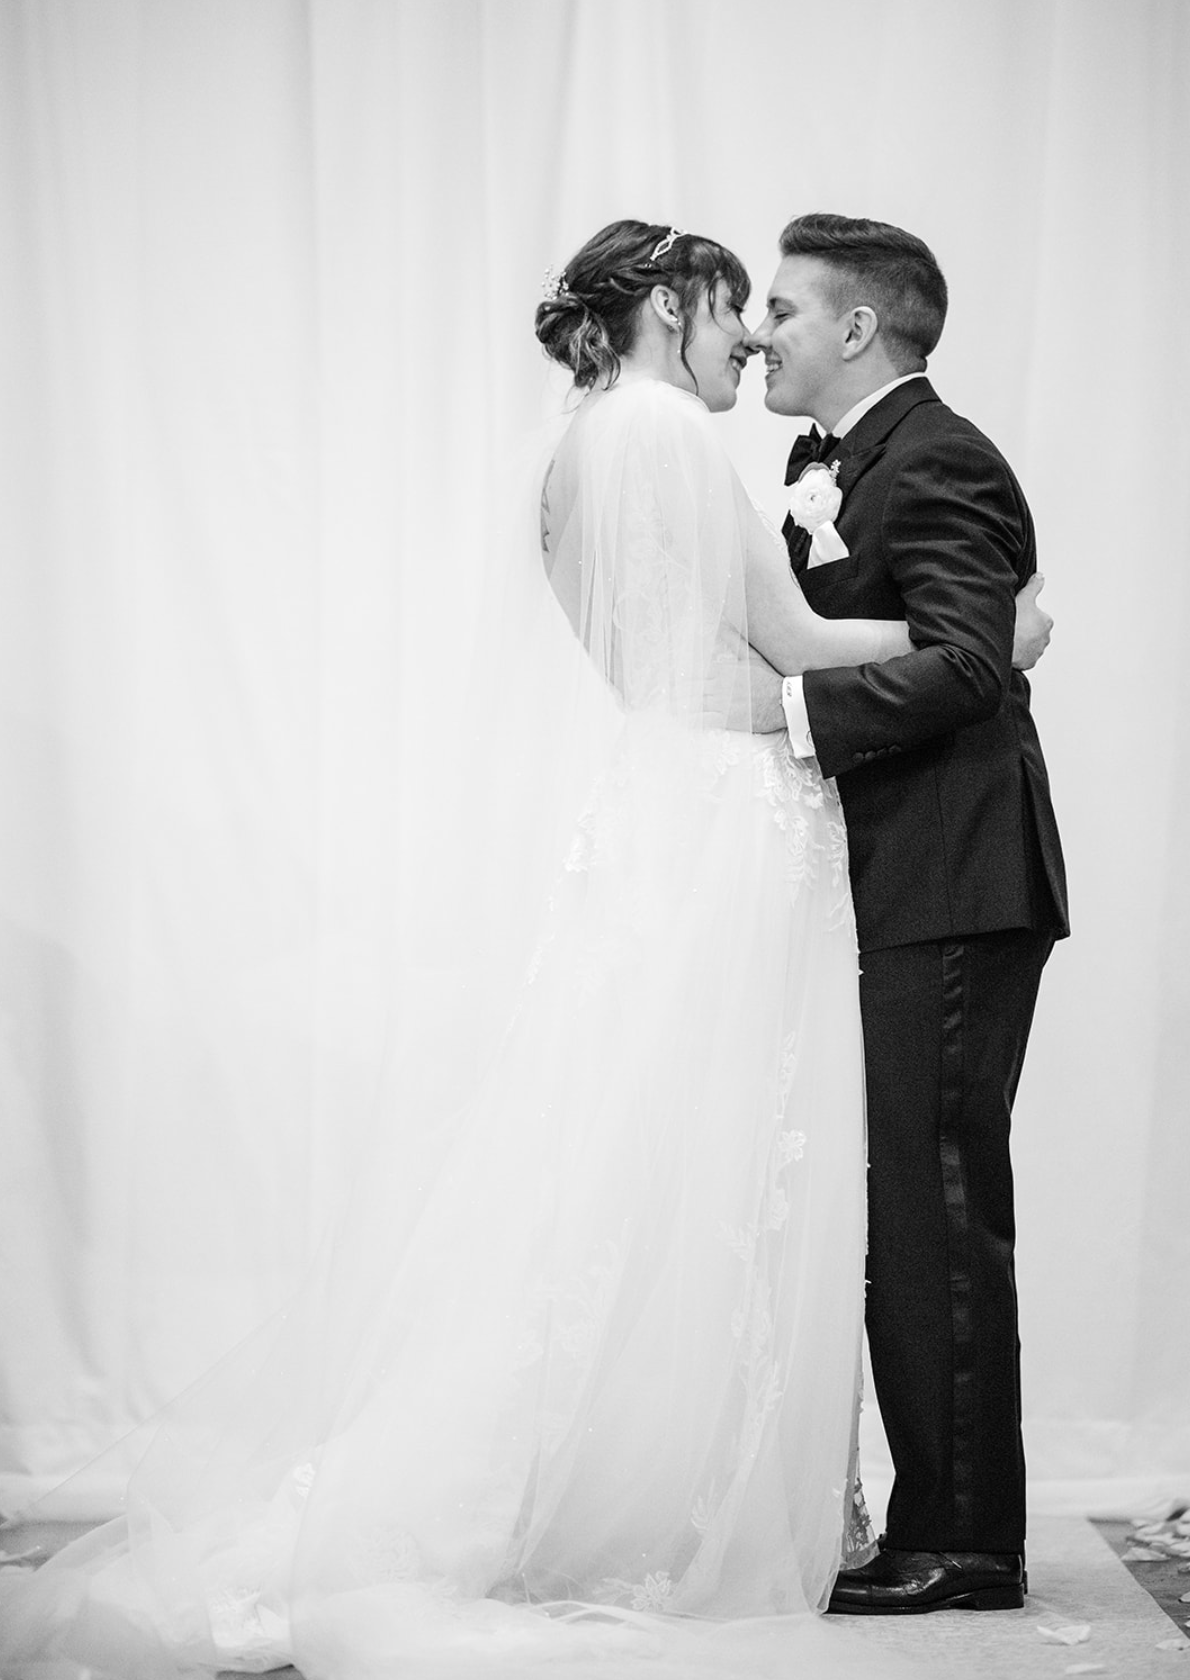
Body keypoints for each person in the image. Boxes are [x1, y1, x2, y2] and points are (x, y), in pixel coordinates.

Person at [0, 218, 1045, 1680]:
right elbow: (801, 641)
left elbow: (651, 662)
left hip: (655, 815)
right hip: (733, 822)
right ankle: (704, 1491)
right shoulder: (671, 441)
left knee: (645, 1162)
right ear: (670, 307)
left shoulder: (570, 455)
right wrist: (1009, 632)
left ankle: (648, 1481)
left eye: (778, 311)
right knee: (723, 1169)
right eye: (736, 307)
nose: (750, 337)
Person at [744, 213, 1069, 1615]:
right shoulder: (844, 462)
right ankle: (941, 1523)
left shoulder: (930, 455)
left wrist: (787, 713)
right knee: (901, 1197)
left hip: (951, 874)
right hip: (903, 876)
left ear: (859, 329)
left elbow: (969, 665)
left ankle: (963, 1542)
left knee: (932, 1204)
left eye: (784, 308)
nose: (761, 331)